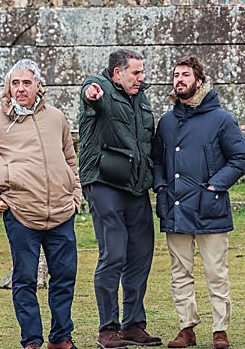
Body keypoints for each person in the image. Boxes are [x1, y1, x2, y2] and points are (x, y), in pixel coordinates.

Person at [0, 59, 85, 349]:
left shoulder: (56, 117)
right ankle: (31, 340)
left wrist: (76, 194)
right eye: (15, 83)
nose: (21, 88)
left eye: (27, 83)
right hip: (20, 213)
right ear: (9, 87)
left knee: (65, 278)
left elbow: (71, 159)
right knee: (25, 280)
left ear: (38, 86)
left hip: (61, 211)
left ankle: (61, 338)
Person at [151, 56, 245, 349]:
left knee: (215, 273)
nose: (178, 80)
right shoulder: (167, 121)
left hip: (210, 208)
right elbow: (157, 159)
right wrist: (160, 185)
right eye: (175, 75)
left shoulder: (222, 119)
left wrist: (214, 186)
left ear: (198, 80)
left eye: (184, 75)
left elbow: (240, 158)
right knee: (179, 272)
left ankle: (220, 329)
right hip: (176, 207)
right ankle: (187, 328)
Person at [78, 48, 161, 348]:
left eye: (142, 72)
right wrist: (91, 94)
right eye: (135, 73)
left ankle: (134, 324)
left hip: (136, 186)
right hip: (104, 183)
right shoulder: (102, 90)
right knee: (113, 254)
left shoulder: (142, 98)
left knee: (140, 255)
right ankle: (108, 328)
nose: (141, 78)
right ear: (117, 74)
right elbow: (90, 96)